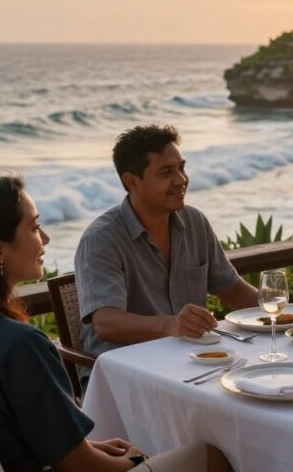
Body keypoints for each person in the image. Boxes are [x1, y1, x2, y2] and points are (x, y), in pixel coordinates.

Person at [0, 174, 231, 472]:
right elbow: (85, 469)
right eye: (35, 227)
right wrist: (137, 460)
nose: (46, 239)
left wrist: (91, 447)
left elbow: (7, 433)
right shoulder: (19, 346)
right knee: (209, 456)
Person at [76, 125, 258, 363]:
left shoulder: (195, 222)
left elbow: (233, 290)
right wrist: (170, 324)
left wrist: (292, 314)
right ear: (132, 181)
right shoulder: (101, 239)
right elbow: (106, 323)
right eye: (166, 172)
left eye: (181, 168)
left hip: (191, 360)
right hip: (124, 372)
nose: (181, 180)